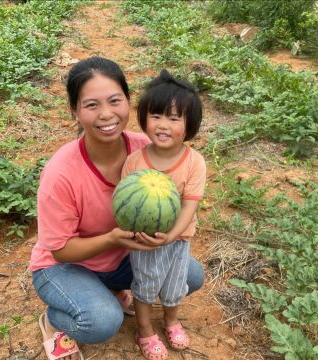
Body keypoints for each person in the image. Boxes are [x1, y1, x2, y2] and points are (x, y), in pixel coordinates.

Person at [30, 57, 205, 360]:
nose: (106, 114)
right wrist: (112, 238)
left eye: (115, 101)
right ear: (74, 111)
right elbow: (59, 251)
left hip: (122, 257)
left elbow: (185, 176)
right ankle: (55, 318)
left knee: (190, 275)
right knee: (102, 321)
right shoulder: (61, 173)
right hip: (64, 266)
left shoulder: (146, 149)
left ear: (128, 101)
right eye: (92, 105)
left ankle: (111, 290)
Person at [120, 69, 206, 360]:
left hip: (179, 240)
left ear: (189, 124)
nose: (163, 125)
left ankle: (171, 321)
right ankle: (144, 329)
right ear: (144, 118)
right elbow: (125, 206)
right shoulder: (135, 162)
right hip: (145, 241)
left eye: (174, 118)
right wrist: (147, 236)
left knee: (174, 286)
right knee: (144, 286)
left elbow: (189, 206)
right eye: (156, 116)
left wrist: (170, 235)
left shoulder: (194, 162)